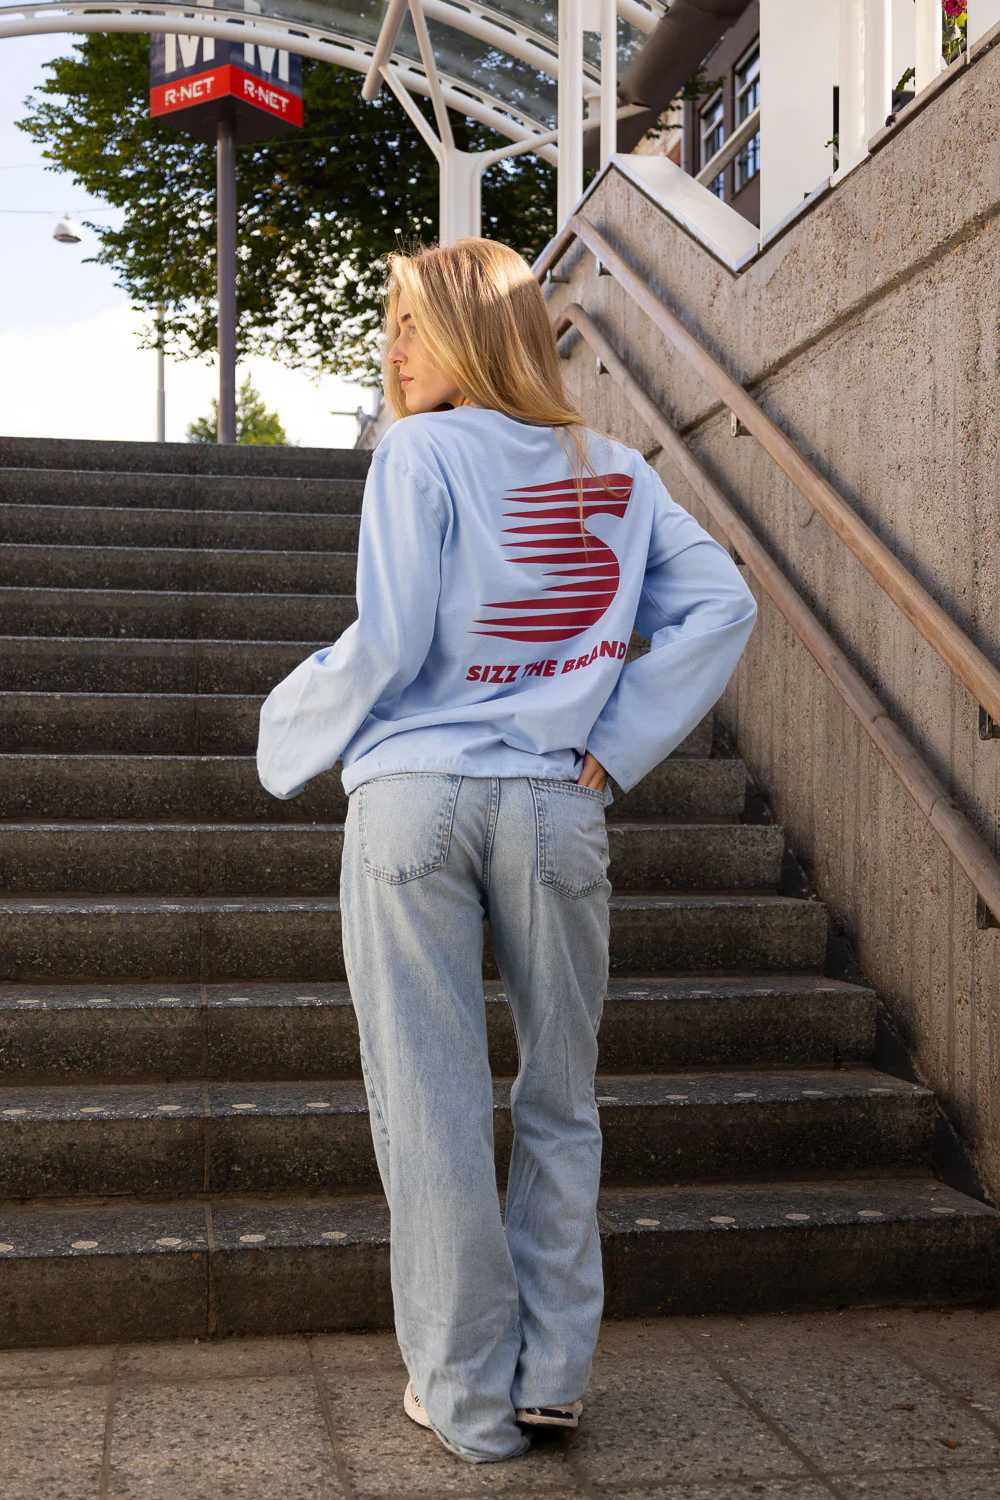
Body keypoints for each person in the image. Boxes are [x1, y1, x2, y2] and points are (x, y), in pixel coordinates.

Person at [256, 237, 757, 1464]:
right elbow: (724, 603)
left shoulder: (417, 453)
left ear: (477, 337)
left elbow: (391, 638)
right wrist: (614, 746)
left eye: (413, 325)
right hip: (550, 804)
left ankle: (469, 1401)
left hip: (415, 796)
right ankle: (550, 1378)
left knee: (427, 1104)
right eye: (390, 326)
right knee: (559, 1098)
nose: (392, 351)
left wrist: (288, 723)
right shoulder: (617, 472)